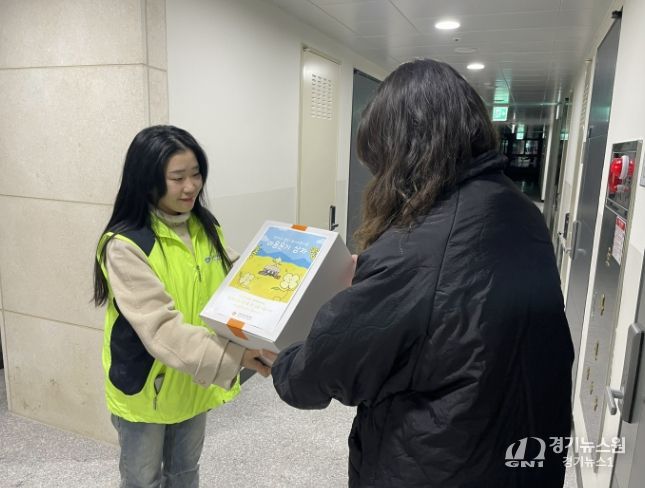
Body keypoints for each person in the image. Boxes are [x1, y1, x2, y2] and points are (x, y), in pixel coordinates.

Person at [271, 59, 574, 487]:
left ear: (406, 152)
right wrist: (379, 283)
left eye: (380, 163)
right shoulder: (518, 208)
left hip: (442, 462)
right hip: (518, 446)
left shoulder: (417, 247)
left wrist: (280, 361)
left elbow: (321, 372)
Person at [93, 125, 271, 488]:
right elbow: (162, 330)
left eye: (196, 174)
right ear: (147, 181)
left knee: (185, 472)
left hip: (193, 377)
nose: (191, 186)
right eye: (177, 178)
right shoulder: (126, 245)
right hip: (147, 386)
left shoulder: (205, 226)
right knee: (143, 479)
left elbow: (236, 282)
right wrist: (236, 355)